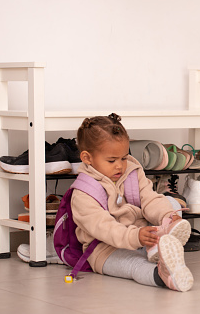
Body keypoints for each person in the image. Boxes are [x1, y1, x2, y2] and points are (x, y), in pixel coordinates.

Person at [71, 113, 193, 292]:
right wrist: (134, 236)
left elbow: (149, 198)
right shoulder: (83, 192)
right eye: (111, 160)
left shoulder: (132, 171)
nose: (120, 165)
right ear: (87, 158)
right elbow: (104, 227)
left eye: (123, 157)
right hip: (106, 249)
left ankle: (159, 240)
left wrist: (168, 216)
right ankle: (163, 275)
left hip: (142, 237)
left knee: (170, 204)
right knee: (134, 265)